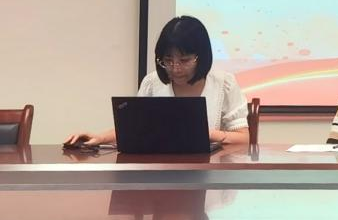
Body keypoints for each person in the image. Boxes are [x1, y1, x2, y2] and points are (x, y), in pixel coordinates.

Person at [64, 15, 249, 146]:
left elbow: (244, 138)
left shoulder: (224, 83)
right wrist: (99, 138)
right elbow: (133, 130)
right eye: (168, 60)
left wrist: (205, 134)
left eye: (184, 60)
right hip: (159, 173)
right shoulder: (152, 83)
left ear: (201, 57)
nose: (175, 68)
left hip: (207, 176)